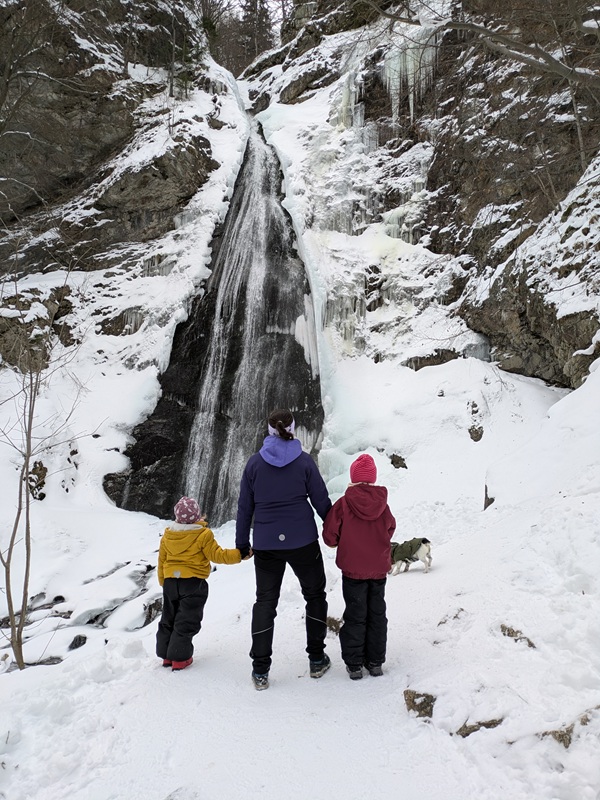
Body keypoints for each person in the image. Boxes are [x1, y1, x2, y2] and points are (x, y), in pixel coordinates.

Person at [236, 408, 332, 690]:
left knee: (265, 602)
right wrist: (339, 530)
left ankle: (260, 670)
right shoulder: (304, 462)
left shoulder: (254, 464)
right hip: (303, 540)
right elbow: (321, 501)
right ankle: (316, 659)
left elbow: (245, 508)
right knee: (314, 595)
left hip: (266, 544)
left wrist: (242, 544)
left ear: (268, 430)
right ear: (292, 428)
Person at [322, 453, 396, 680]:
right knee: (377, 614)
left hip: (353, 571)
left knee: (355, 615)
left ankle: (354, 665)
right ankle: (375, 662)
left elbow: (329, 535)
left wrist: (341, 542)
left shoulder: (344, 504)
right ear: (372, 479)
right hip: (378, 570)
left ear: (353, 477)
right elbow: (390, 528)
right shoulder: (383, 505)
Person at [156, 495, 250, 671]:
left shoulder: (168, 535)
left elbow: (162, 561)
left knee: (168, 617)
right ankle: (179, 658)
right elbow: (218, 555)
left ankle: (166, 656)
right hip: (192, 584)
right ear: (197, 516)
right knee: (186, 620)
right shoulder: (202, 534)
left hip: (170, 583)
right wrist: (239, 555)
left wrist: (163, 581)